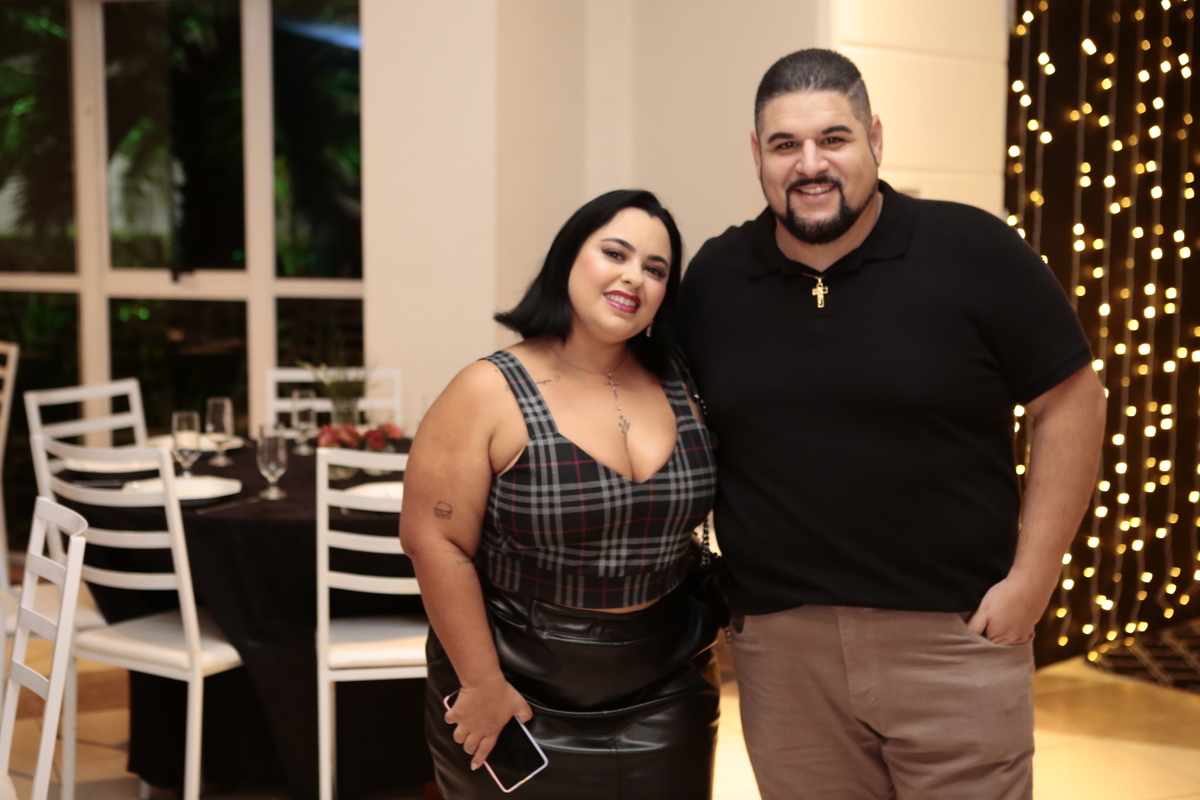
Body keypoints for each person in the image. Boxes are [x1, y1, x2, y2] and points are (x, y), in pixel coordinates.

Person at [678, 49, 1106, 800]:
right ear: (757, 154)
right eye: (785, 144)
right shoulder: (716, 279)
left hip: (953, 641)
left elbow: (1072, 400)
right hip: (783, 654)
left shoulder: (973, 250)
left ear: (874, 137)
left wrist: (1032, 581)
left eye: (833, 138)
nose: (810, 164)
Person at [400, 189, 721, 799]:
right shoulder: (487, 390)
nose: (634, 277)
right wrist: (482, 683)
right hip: (514, 685)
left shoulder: (684, 383)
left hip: (669, 682)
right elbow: (433, 540)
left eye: (655, 269)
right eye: (615, 254)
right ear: (568, 259)